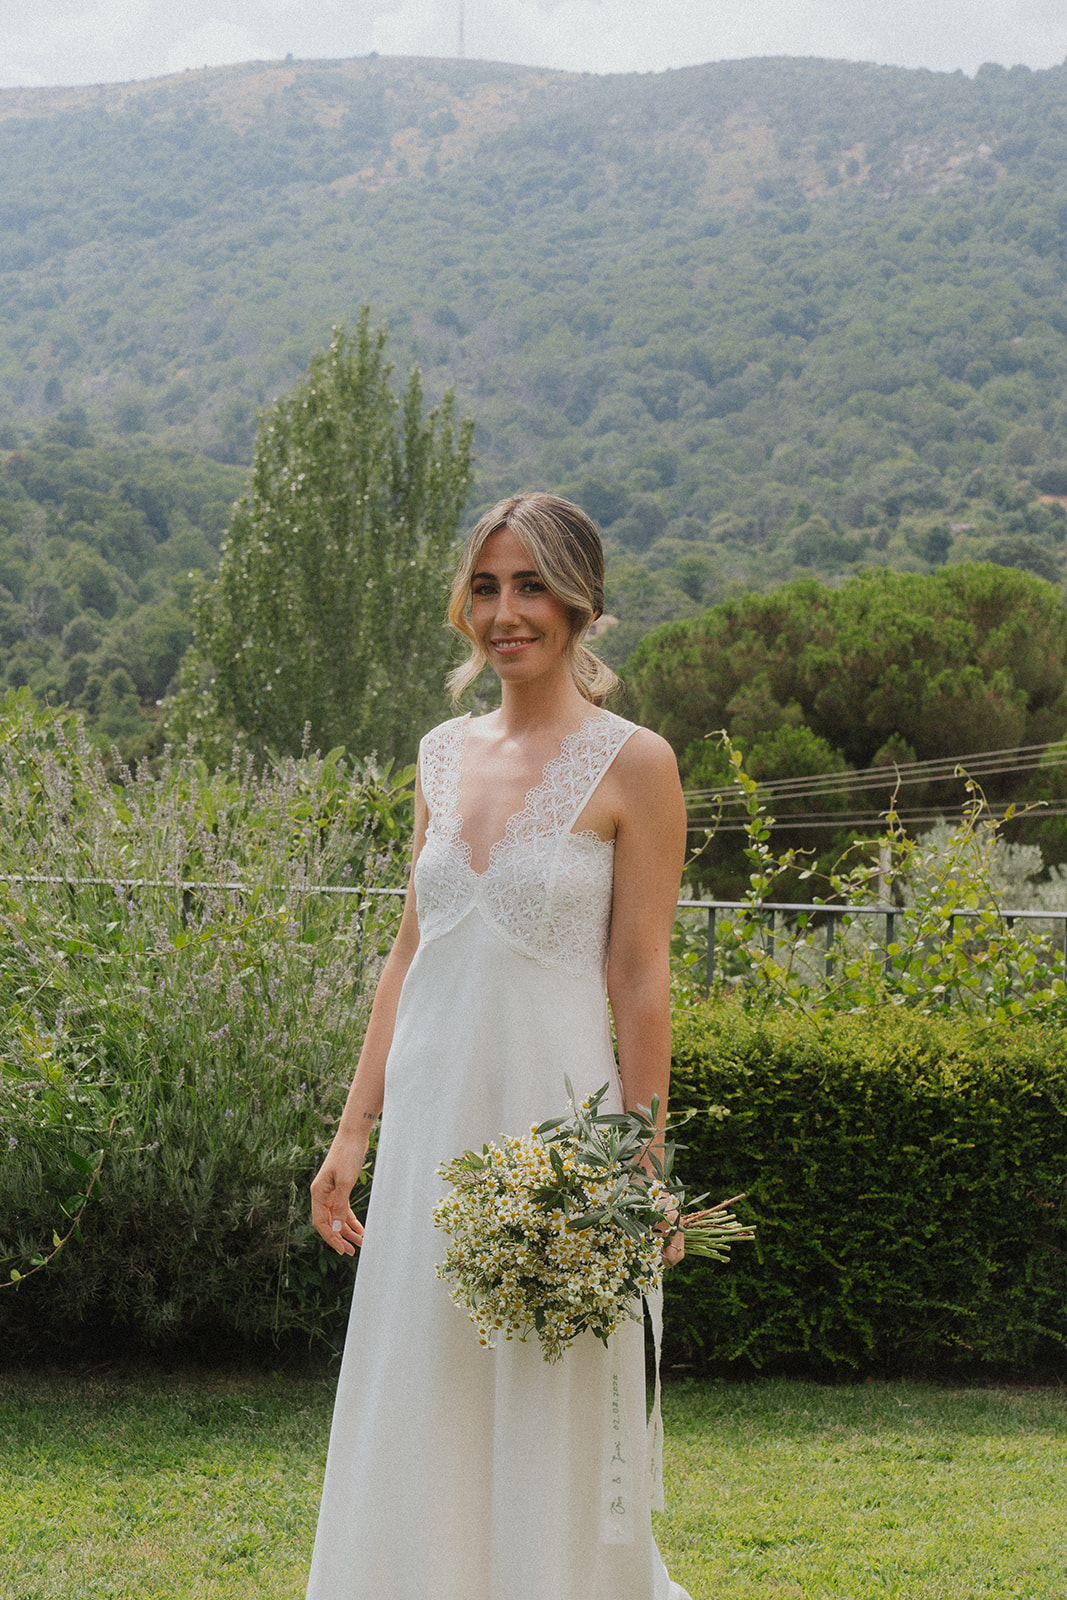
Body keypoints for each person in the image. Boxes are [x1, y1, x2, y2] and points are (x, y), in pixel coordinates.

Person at [306, 492, 691, 1600]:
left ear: (580, 603)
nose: (503, 612)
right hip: (431, 1125)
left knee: (547, 1382)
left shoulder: (636, 764)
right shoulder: (439, 754)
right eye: (485, 586)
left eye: (529, 586)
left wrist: (643, 1163)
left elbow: (639, 978)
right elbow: (409, 951)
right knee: (420, 1374)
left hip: (554, 1134)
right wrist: (352, 1133)